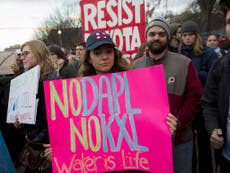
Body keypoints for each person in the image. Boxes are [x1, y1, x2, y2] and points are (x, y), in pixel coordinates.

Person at [132, 17, 203, 173]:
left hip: (179, 141)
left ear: (168, 37)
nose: (156, 37)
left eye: (161, 34)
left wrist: (178, 122)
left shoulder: (184, 63)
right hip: (148, 142)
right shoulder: (135, 66)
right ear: (146, 37)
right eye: (152, 34)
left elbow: (195, 97)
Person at [179, 20, 218, 173]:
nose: (187, 38)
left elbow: (214, 77)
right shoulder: (179, 53)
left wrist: (195, 72)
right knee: (188, 142)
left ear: (196, 36)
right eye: (185, 35)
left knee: (203, 142)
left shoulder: (207, 53)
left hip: (204, 104)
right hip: (187, 103)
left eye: (190, 35)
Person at [15, 40, 57, 173]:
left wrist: (35, 143)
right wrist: (21, 122)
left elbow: (52, 120)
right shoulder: (27, 81)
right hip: (35, 144)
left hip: (46, 149)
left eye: (26, 53)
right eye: (21, 54)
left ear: (39, 54)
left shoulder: (50, 81)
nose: (22, 57)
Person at [202, 8, 230, 173]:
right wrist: (213, 128)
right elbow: (208, 103)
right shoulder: (220, 65)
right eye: (228, 22)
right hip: (227, 158)